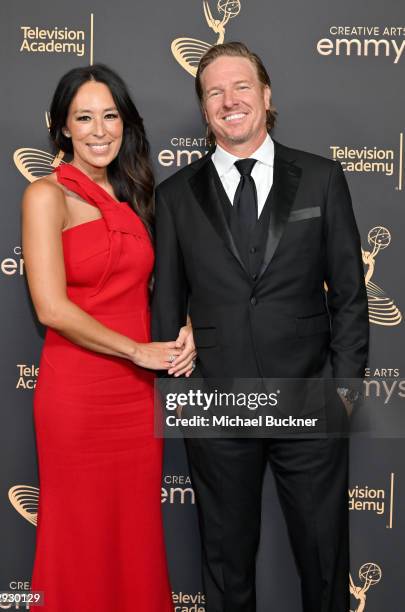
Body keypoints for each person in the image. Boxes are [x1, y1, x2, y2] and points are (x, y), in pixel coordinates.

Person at [151, 42, 369, 612]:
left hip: (309, 402)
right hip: (217, 411)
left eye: (241, 86)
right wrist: (186, 400)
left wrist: (343, 388)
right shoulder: (174, 197)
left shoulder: (321, 178)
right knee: (225, 571)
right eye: (214, 92)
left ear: (267, 96)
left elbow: (349, 292)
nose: (229, 101)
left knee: (325, 565)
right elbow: (167, 312)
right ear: (203, 110)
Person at [22, 63, 195, 612]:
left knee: (134, 539)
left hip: (136, 400)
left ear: (126, 123)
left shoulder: (131, 196)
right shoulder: (46, 196)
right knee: (78, 539)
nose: (100, 130)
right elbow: (51, 308)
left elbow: (154, 289)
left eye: (110, 116)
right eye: (84, 117)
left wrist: (186, 325)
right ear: (62, 127)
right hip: (78, 395)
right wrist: (138, 350)